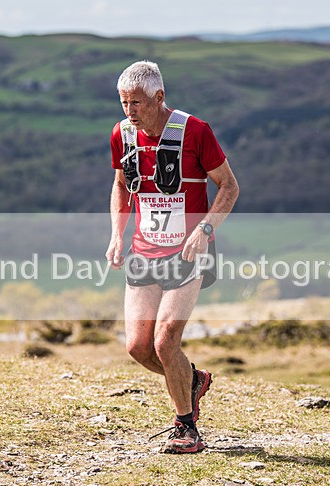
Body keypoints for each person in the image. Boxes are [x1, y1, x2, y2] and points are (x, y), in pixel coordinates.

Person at [105, 61, 240, 453]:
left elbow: (229, 187)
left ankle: (187, 428)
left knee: (165, 342)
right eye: (124, 103)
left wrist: (206, 229)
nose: (130, 112)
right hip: (143, 251)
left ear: (159, 97)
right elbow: (120, 185)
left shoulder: (195, 132)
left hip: (189, 252)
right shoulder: (122, 134)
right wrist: (116, 234)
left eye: (137, 103)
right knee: (138, 347)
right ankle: (193, 381)